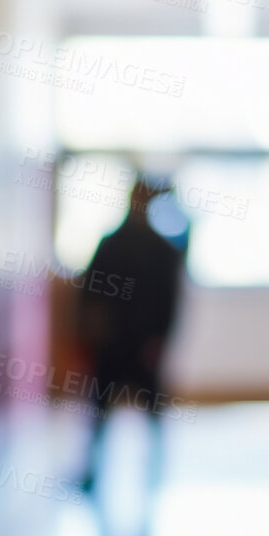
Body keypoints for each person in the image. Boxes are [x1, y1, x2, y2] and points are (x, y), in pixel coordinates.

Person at [76, 172, 187, 494]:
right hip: (111, 343)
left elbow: (170, 300)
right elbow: (90, 294)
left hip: (144, 345)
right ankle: (92, 469)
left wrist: (161, 340)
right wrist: (88, 334)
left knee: (152, 410)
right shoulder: (111, 243)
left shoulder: (162, 248)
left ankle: (155, 470)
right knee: (98, 410)